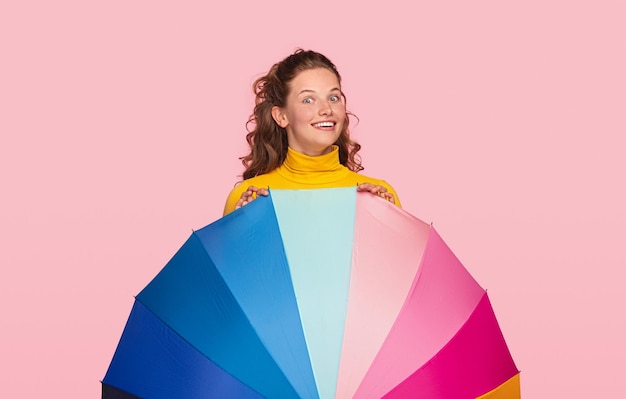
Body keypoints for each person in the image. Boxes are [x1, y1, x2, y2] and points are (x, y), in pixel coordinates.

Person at [223, 49, 401, 215]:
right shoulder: (251, 198)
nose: (326, 109)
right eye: (308, 100)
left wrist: (385, 221)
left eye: (333, 98)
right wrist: (243, 224)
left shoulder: (376, 197)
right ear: (281, 116)